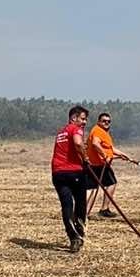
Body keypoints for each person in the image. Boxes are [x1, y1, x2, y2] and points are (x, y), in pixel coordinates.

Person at [51, 105, 90, 252]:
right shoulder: (75, 129)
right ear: (73, 118)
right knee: (80, 204)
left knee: (67, 206)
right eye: (83, 118)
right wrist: (85, 158)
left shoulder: (61, 132)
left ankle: (73, 238)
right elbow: (78, 143)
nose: (85, 122)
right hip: (74, 172)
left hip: (58, 173)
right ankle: (79, 234)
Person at [85, 110, 134, 216]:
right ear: (98, 122)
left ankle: (85, 213)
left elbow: (110, 149)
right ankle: (104, 209)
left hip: (96, 164)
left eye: (108, 121)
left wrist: (123, 155)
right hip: (98, 165)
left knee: (92, 188)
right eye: (104, 121)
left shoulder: (103, 133)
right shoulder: (98, 131)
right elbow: (95, 144)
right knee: (111, 183)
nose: (106, 123)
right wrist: (105, 155)